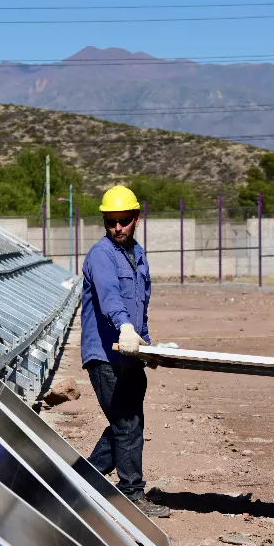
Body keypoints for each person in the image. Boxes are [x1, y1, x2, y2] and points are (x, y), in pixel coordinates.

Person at [80, 185, 170, 518]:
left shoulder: (137, 254)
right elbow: (111, 298)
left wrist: (145, 344)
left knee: (128, 422)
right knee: (127, 422)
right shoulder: (101, 255)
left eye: (124, 221)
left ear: (136, 218)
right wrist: (124, 327)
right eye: (111, 222)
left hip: (130, 353)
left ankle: (81, 480)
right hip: (104, 355)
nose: (118, 228)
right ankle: (131, 492)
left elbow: (139, 305)